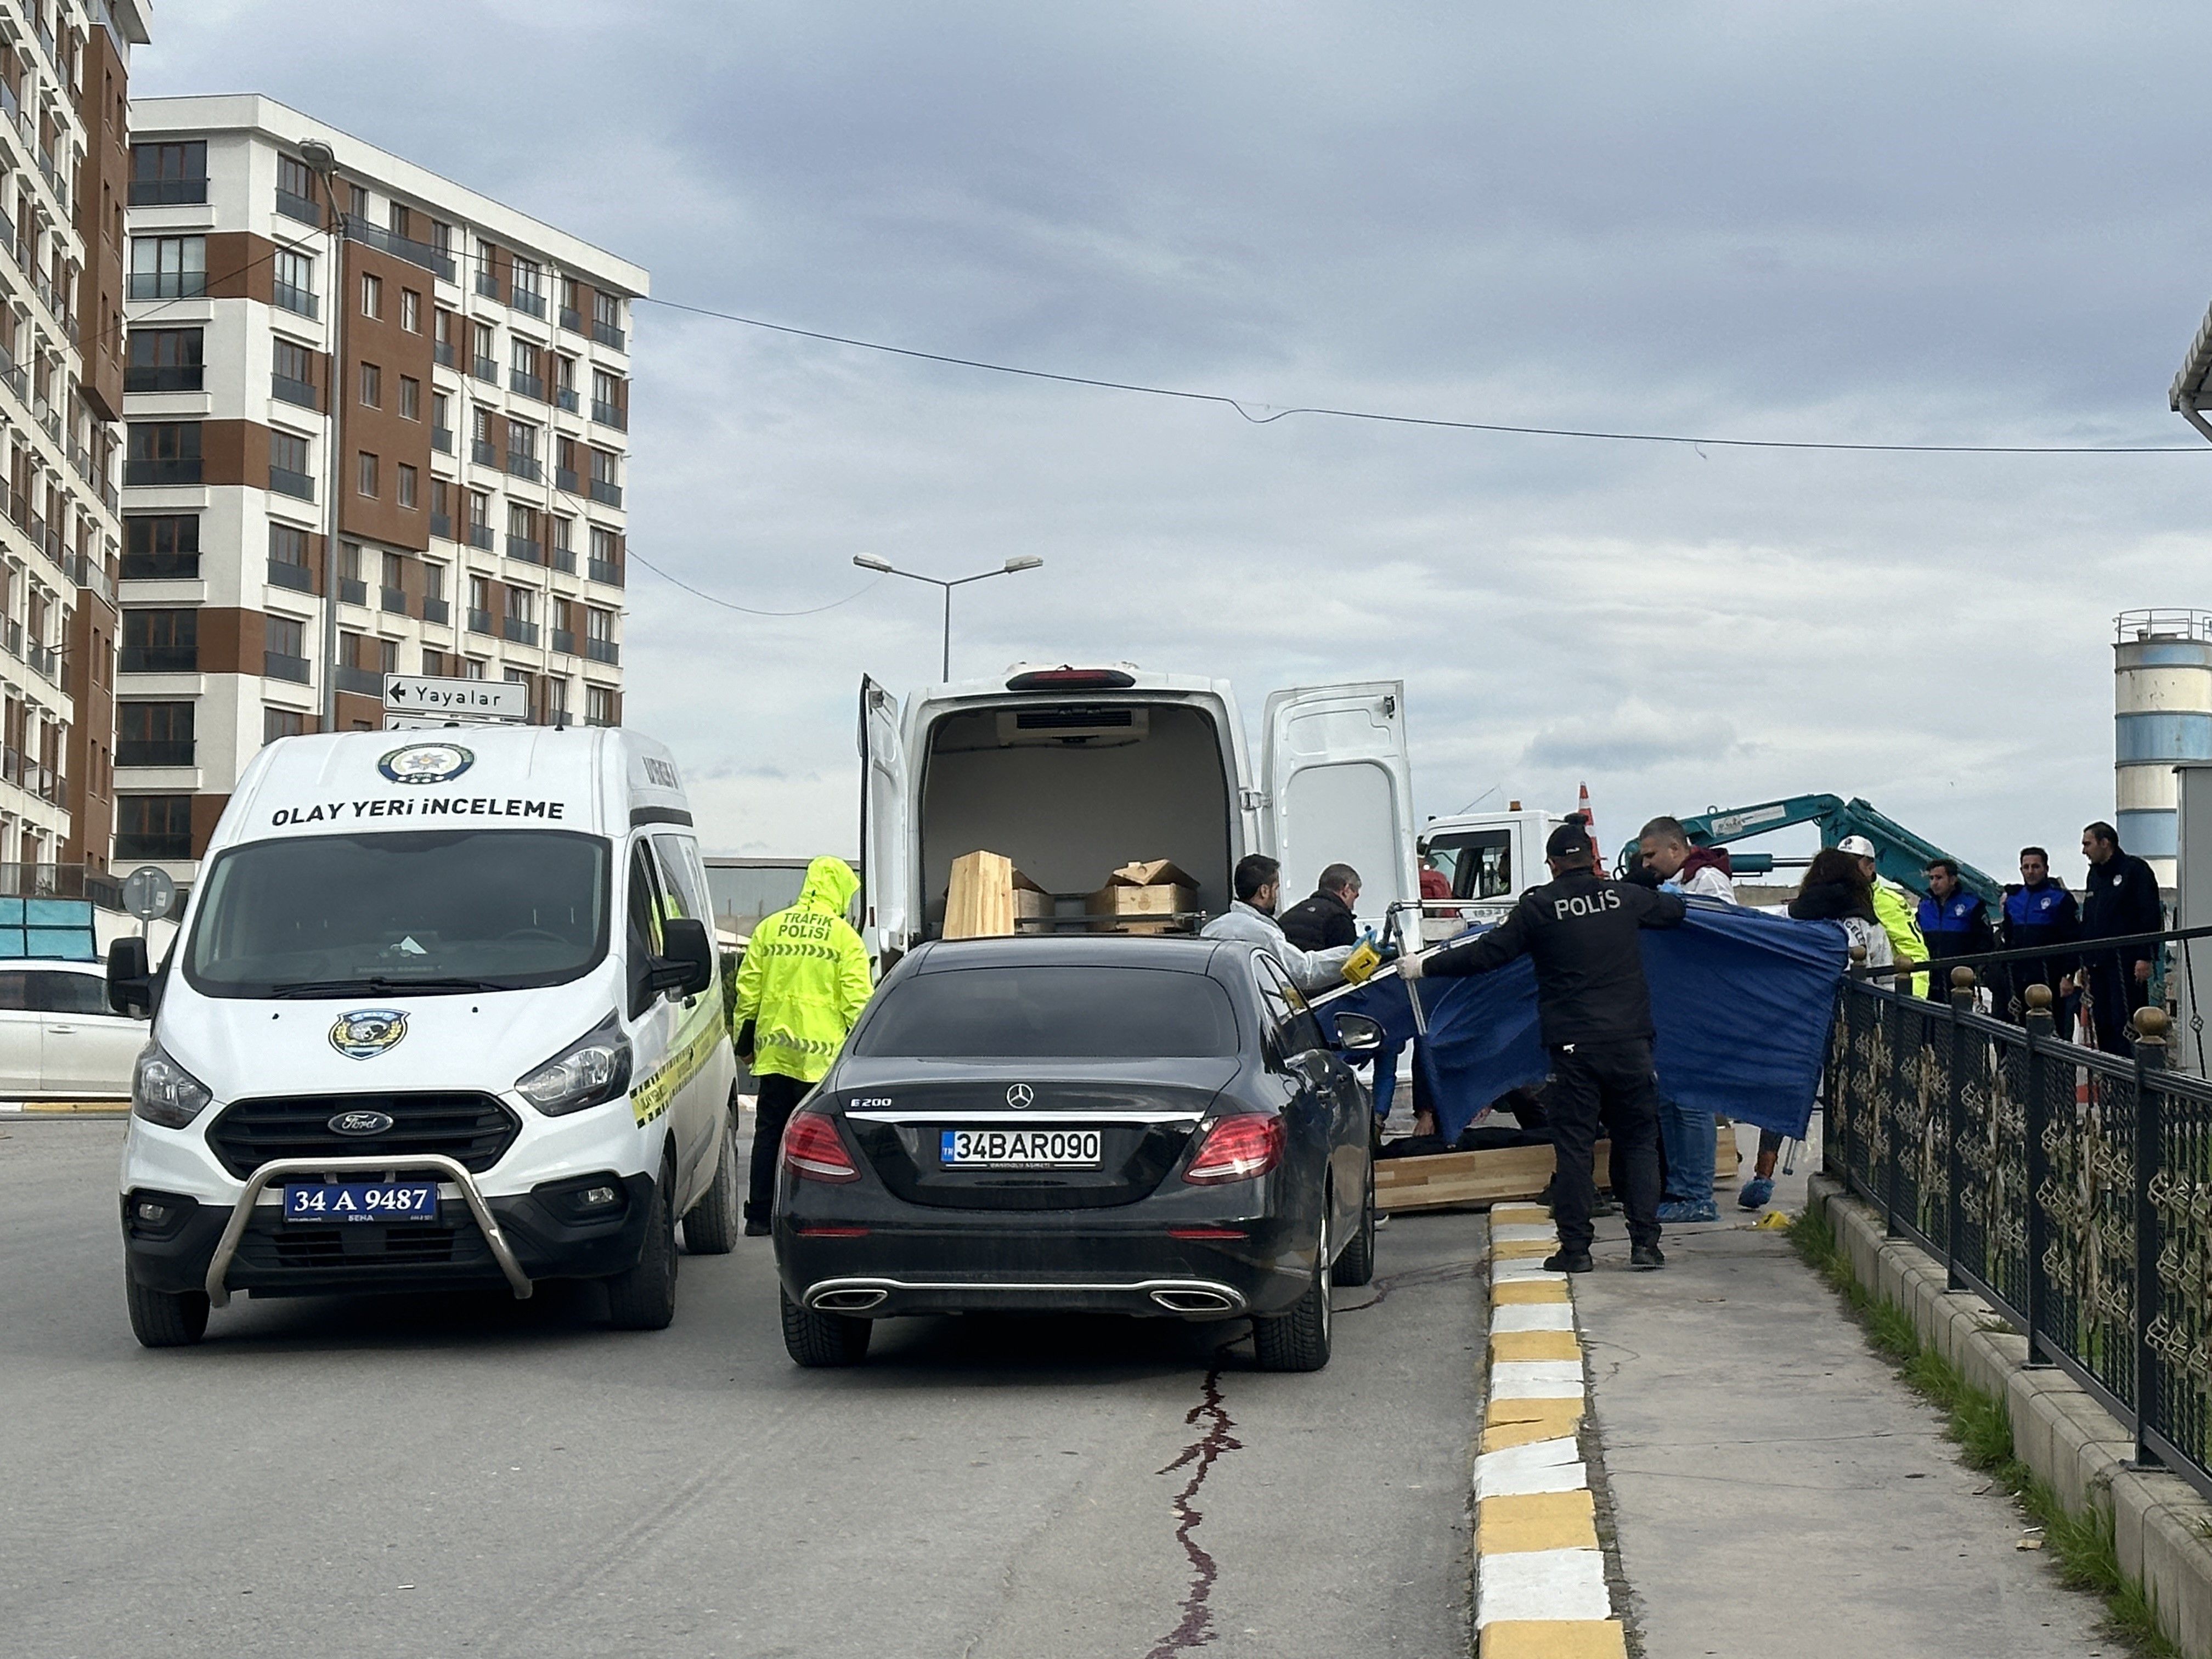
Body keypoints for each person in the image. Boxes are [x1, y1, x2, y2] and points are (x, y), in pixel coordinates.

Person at [1402, 819, 1685, 1272]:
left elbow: (1487, 954)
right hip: (1631, 1043)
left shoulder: (1540, 907)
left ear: (1552, 865)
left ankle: (1576, 1251)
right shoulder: (1623, 898)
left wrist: (1426, 967)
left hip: (1574, 1049)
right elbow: (1674, 914)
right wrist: (1642, 881)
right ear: (1594, 860)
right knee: (1638, 1143)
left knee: (1574, 1148)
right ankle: (1645, 1244)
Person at [730, 856, 874, 1237]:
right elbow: (857, 1004)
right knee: (820, 1142)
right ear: (840, 890)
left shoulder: (769, 929)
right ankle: (812, 1217)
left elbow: (748, 994)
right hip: (823, 1062)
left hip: (776, 1056)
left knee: (769, 1133)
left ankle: (759, 1216)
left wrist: (743, 1045)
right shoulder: (845, 938)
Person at [1747, 849, 1898, 1210]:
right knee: (1852, 1095)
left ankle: (1762, 1175)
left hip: (1800, 1019)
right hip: (1855, 1022)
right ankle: (1854, 1169)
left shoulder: (1797, 917)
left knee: (1785, 1093)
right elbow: (1886, 975)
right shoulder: (1867, 924)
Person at [1631, 816, 1734, 1223]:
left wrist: (1678, 906)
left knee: (1690, 1102)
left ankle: (1696, 1192)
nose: (1647, 865)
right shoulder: (1676, 883)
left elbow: (1723, 930)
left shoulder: (1707, 880)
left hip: (1701, 1003)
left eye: (1652, 855)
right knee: (1669, 1098)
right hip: (1678, 1004)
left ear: (1676, 849)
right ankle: (1679, 1187)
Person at [1201, 853, 1357, 991]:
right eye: (1275, 889)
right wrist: (1353, 953)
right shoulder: (1263, 934)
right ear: (1264, 891)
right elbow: (1304, 971)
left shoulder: (1211, 929)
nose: (1276, 896)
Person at [2078, 821, 2163, 1055]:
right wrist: (2085, 960)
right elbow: (2089, 919)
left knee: (2124, 1021)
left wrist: (2145, 956)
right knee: (2103, 1022)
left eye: (2088, 843)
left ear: (2105, 843)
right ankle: (2111, 1081)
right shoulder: (2094, 875)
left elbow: (2149, 915)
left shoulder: (2135, 871)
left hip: (2125, 962)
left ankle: (2130, 1080)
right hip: (2099, 963)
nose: (2084, 850)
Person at [1998, 847, 2079, 1024]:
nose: (2030, 872)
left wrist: (2068, 976)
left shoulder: (2061, 899)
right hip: (2019, 977)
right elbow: (2009, 938)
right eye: (2026, 867)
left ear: (2046, 869)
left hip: (2051, 975)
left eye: (2036, 867)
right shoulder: (2013, 900)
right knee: (2017, 1028)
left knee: (2054, 1027)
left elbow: (2073, 939)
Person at [1837, 834, 1926, 995]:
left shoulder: (1888, 902)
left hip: (1885, 993)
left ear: (1870, 868)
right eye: (1841, 864)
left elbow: (1914, 953)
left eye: (1852, 864)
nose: (1845, 870)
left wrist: (1912, 1001)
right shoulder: (1834, 898)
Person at [1914, 858, 1994, 1003]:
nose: (1934, 883)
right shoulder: (1924, 906)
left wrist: (1971, 969)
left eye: (1939, 878)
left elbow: (1985, 941)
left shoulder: (1972, 905)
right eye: (1931, 878)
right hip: (1929, 978)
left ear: (1953, 880)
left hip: (1960, 979)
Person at [1279, 863, 1362, 952]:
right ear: (1346, 890)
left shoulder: (1287, 916)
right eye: (1355, 896)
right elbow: (1347, 961)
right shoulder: (1339, 919)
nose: (1353, 904)